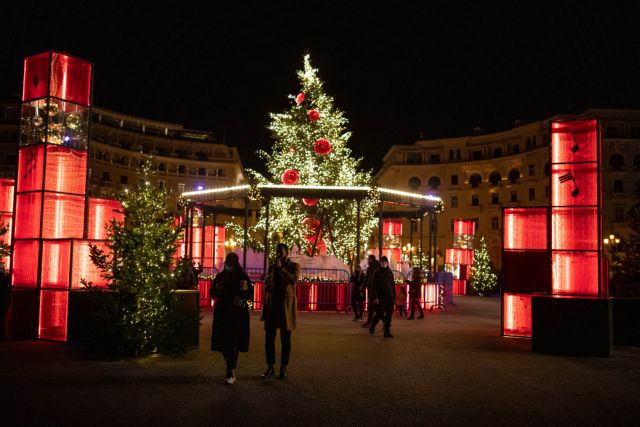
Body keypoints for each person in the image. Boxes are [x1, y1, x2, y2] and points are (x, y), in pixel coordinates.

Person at [210, 252, 253, 385]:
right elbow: (213, 292)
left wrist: (243, 294)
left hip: (235, 314)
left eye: (230, 262)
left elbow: (249, 294)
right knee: (226, 342)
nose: (228, 264)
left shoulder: (241, 276)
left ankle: (230, 369)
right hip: (226, 313)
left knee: (233, 342)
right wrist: (217, 288)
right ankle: (231, 367)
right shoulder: (222, 276)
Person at [261, 243, 300, 380]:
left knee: (285, 338)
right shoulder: (272, 266)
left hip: (285, 305)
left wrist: (281, 269)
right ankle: (270, 366)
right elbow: (267, 284)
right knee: (269, 338)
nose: (279, 253)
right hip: (272, 305)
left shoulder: (293, 266)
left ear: (287, 252)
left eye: (281, 251)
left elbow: (293, 280)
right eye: (277, 251)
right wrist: (267, 280)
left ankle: (283, 367)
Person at [369, 255, 396, 338]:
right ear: (380, 263)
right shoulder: (377, 273)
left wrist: (394, 296)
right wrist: (375, 297)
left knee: (389, 315)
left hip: (390, 297)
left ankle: (387, 332)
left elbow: (392, 284)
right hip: (381, 297)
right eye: (382, 262)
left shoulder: (390, 273)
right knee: (379, 313)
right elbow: (374, 286)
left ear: (387, 263)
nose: (383, 264)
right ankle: (373, 325)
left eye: (385, 262)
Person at [361, 255, 379, 328]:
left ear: (371, 260)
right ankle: (369, 322)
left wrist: (363, 287)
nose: (367, 261)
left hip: (373, 290)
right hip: (374, 290)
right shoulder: (377, 267)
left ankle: (385, 322)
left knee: (375, 308)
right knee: (373, 308)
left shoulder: (371, 268)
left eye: (368, 260)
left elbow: (367, 279)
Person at [0, 264, 11, 341]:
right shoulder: (5, 278)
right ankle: (4, 336)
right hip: (4, 300)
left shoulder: (4, 278)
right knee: (2, 319)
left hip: (3, 300)